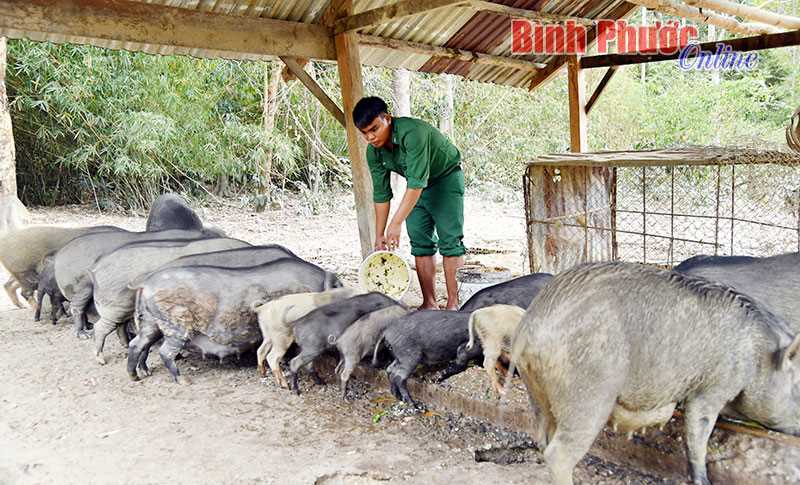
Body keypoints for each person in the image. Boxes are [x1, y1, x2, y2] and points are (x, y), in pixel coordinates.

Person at [353, 96, 465, 310]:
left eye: (374, 129)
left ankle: (454, 304)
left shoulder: (413, 133)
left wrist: (395, 224)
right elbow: (381, 194)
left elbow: (416, 184)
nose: (370, 137)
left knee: (450, 242)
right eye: (364, 133)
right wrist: (379, 235)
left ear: (387, 118)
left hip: (445, 179)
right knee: (420, 241)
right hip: (416, 187)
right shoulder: (373, 152)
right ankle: (429, 303)